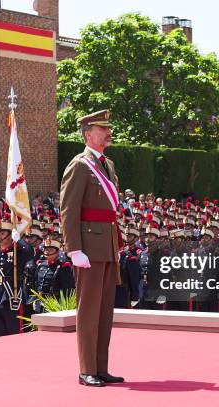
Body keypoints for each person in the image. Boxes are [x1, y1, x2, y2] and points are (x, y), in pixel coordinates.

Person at [60, 109, 124, 387]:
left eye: (107, 128)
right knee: (88, 311)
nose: (108, 133)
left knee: (104, 310)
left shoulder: (107, 164)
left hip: (107, 246)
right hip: (88, 248)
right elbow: (69, 210)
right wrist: (74, 249)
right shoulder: (79, 165)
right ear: (88, 134)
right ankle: (87, 369)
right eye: (102, 129)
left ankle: (100, 367)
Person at [0, 217, 34, 337]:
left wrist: (19, 240)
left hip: (14, 297)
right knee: (0, 334)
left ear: (10, 235)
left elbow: (30, 252)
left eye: (2, 233)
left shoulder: (19, 252)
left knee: (16, 334)